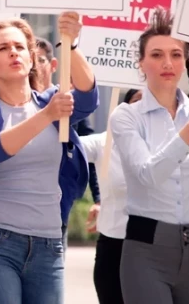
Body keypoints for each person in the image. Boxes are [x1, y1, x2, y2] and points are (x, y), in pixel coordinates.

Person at [0, 13, 99, 304]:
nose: (13, 52)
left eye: (20, 47)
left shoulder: (52, 101)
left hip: (49, 245)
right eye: (3, 48)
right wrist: (47, 116)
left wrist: (70, 45)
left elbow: (87, 96)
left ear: (32, 59)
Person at [109, 8, 189, 304]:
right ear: (141, 62)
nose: (167, 63)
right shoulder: (127, 117)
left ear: (185, 62)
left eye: (176, 54)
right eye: (156, 55)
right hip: (145, 248)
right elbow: (147, 175)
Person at [35, 36, 100, 251]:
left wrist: (98, 197)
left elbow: (88, 153)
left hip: (56, 210)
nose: (34, 65)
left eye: (41, 60)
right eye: (31, 59)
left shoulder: (67, 101)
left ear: (53, 65)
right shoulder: (10, 102)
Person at [80, 88, 142, 304]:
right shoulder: (104, 142)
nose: (143, 107)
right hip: (114, 244)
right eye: (137, 101)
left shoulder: (172, 142)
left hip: (156, 246)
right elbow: (66, 148)